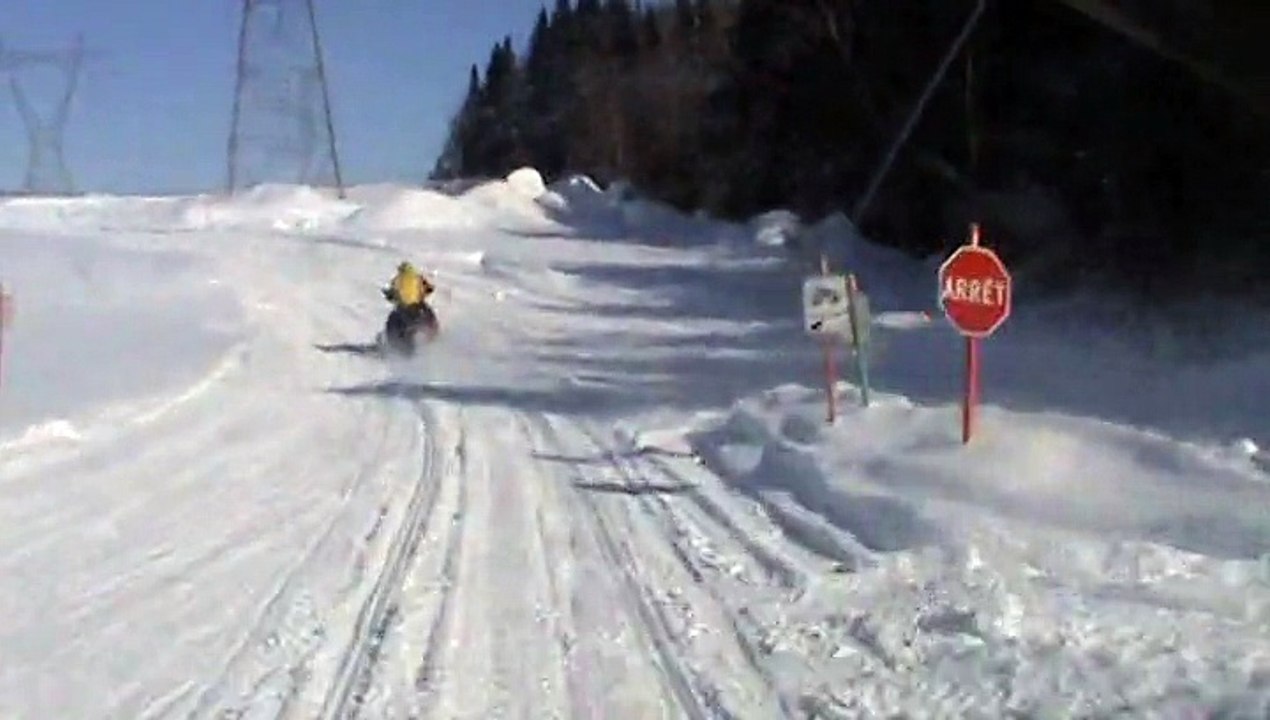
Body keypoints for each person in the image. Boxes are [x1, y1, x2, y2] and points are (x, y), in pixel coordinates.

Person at [382, 261, 438, 345]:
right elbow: (429, 289)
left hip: (402, 309)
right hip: (419, 307)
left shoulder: (397, 279)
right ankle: (436, 340)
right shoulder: (419, 278)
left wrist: (389, 295)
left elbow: (391, 294)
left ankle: (393, 346)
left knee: (393, 324)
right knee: (430, 320)